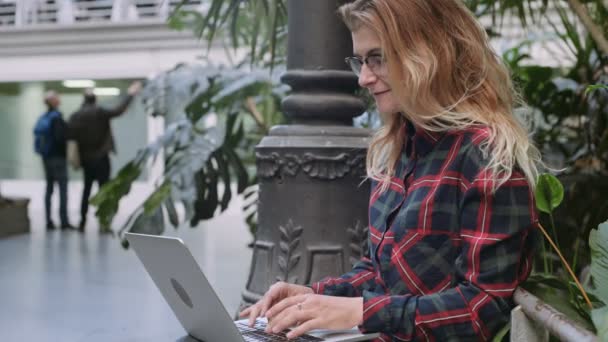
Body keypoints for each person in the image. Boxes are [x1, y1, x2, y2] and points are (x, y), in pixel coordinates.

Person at [241, 0, 543, 340]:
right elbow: (380, 272)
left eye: (378, 58)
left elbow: (481, 310)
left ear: (429, 53)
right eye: (360, 60)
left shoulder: (487, 155)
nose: (365, 78)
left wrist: (362, 312)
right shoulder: (400, 146)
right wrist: (314, 296)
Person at [67, 81, 142, 233]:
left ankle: (82, 222)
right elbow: (119, 110)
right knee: (104, 191)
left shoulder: (75, 116)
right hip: (101, 158)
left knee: (86, 190)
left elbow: (69, 136)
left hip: (86, 159)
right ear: (95, 100)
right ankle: (103, 223)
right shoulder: (99, 112)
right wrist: (130, 94)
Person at [33, 90, 75, 230]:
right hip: (58, 158)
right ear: (53, 101)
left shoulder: (44, 117)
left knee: (49, 189)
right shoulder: (57, 118)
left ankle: (48, 221)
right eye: (57, 97)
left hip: (46, 158)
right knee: (62, 190)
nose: (59, 99)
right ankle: (64, 222)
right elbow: (59, 138)